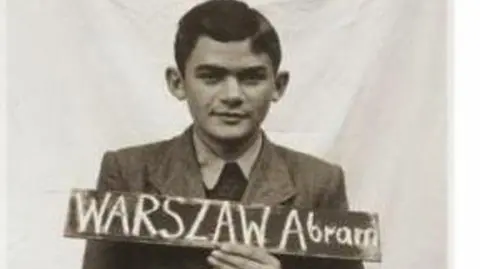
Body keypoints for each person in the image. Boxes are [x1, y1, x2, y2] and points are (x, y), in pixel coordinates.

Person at [82, 0, 364, 269]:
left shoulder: (319, 184)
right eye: (211, 77)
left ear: (278, 85)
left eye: (251, 77)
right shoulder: (128, 174)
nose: (232, 96)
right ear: (177, 83)